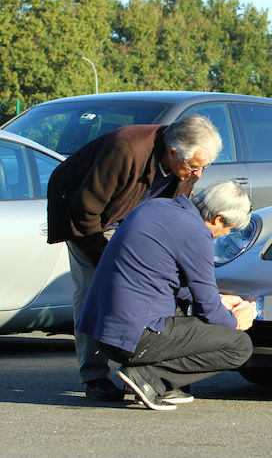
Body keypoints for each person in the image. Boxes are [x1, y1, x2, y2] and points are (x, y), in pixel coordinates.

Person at [46, 114, 222, 402]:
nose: (197, 175)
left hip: (133, 223)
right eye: (193, 167)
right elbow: (85, 211)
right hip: (89, 221)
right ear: (173, 152)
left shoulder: (184, 168)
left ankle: (146, 374)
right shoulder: (125, 150)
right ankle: (94, 376)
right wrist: (108, 260)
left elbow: (175, 213)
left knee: (158, 292)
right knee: (94, 292)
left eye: (204, 167)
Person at [76, 180, 255, 411]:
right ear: (218, 219)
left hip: (102, 331)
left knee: (191, 311)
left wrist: (219, 298)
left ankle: (156, 379)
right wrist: (237, 320)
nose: (223, 235)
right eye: (227, 229)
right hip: (135, 338)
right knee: (239, 346)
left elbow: (162, 277)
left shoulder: (155, 207)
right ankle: (149, 377)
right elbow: (208, 311)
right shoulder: (197, 233)